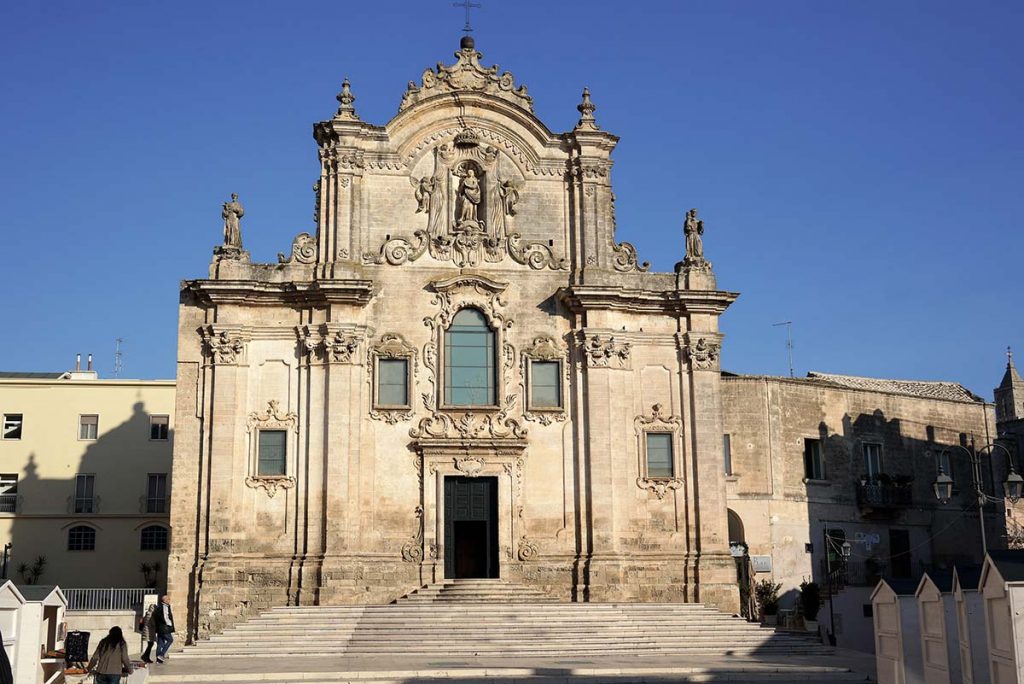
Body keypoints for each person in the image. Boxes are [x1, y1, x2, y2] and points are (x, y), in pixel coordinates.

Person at [152, 593, 176, 663]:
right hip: (164, 628)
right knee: (170, 640)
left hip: (159, 628)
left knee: (160, 643)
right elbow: (166, 617)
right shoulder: (165, 607)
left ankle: (158, 660)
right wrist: (170, 625)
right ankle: (161, 655)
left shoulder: (159, 607)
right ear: (165, 600)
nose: (169, 600)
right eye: (168, 599)